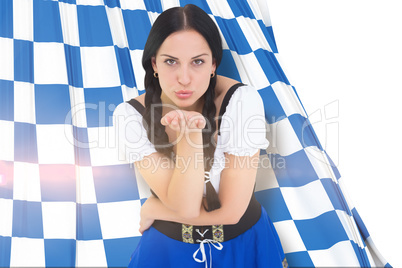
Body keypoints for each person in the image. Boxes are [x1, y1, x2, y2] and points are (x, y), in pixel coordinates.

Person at [114, 4, 286, 268]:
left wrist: (156, 209)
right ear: (154, 64)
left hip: (245, 245)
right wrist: (189, 139)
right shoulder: (129, 115)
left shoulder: (241, 100)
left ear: (214, 64)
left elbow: (231, 212)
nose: (184, 78)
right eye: (171, 61)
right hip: (166, 251)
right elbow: (185, 206)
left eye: (198, 61)